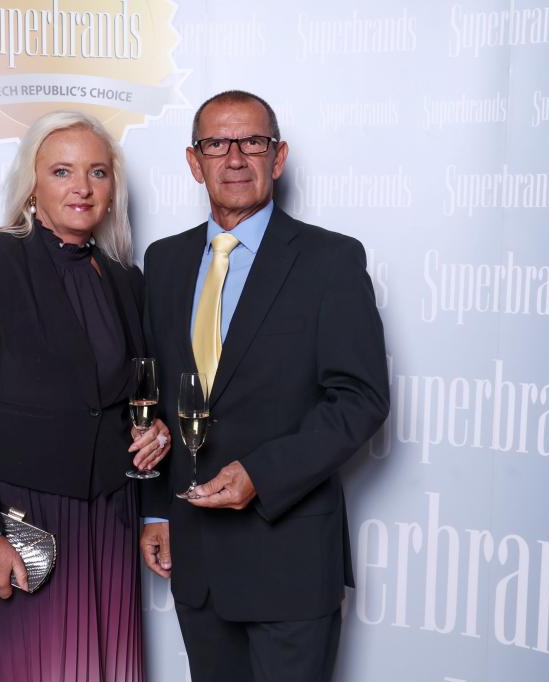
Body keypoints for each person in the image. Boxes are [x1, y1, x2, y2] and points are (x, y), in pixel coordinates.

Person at [139, 91, 390, 682]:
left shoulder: (331, 260)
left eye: (252, 142)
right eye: (216, 144)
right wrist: (156, 512)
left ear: (278, 158)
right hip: (197, 560)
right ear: (194, 161)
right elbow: (158, 400)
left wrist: (262, 473)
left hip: (290, 561)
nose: (234, 158)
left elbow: (361, 399)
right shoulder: (164, 262)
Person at [0, 110, 171, 682]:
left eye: (97, 172)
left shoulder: (125, 280)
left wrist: (152, 433)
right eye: (62, 171)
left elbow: (126, 401)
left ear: (113, 189)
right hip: (18, 528)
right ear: (32, 186)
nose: (82, 187)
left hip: (107, 523)